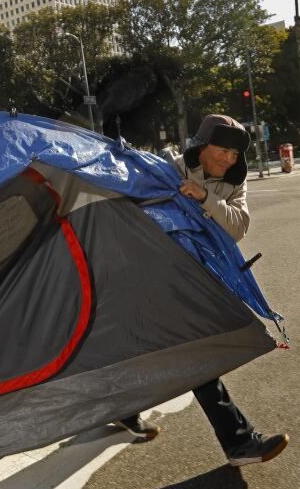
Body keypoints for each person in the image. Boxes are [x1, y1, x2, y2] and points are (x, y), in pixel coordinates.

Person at [116, 114, 288, 467]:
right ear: (202, 146)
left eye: (236, 154)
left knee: (157, 348)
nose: (229, 160)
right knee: (196, 354)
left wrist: (205, 197)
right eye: (223, 150)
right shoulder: (169, 169)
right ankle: (238, 441)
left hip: (192, 280)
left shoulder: (234, 184)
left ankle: (125, 408)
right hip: (148, 274)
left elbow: (237, 228)